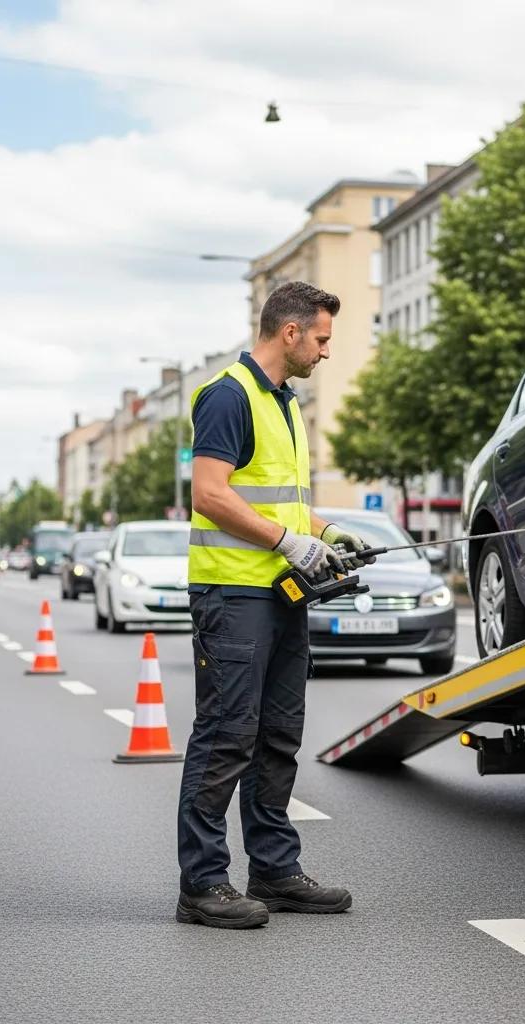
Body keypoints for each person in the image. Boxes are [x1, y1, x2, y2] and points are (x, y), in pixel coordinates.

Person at [176, 281, 372, 929]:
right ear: (288, 332)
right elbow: (211, 495)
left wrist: (325, 533)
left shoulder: (283, 402)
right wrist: (290, 540)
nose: (324, 352)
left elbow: (276, 500)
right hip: (233, 594)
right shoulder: (229, 394)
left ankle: (274, 871)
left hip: (280, 594)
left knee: (277, 737)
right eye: (320, 338)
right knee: (227, 735)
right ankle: (203, 885)